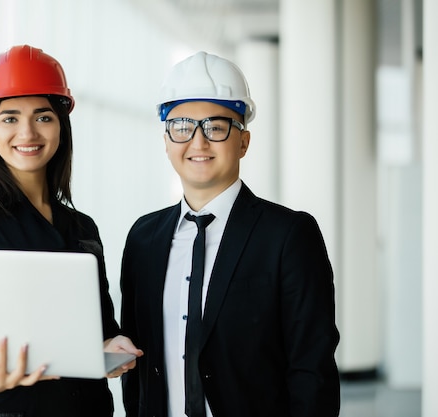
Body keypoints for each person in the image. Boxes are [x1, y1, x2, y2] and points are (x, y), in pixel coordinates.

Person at [119, 51, 340, 417]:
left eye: (216, 126)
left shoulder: (288, 236)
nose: (198, 142)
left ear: (244, 142)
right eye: (182, 126)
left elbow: (311, 370)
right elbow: (138, 365)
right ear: (166, 141)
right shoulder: (143, 238)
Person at [0, 45, 142, 417]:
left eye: (43, 117)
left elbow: (101, 329)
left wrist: (116, 346)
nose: (27, 132)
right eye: (10, 118)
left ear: (61, 127)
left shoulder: (82, 227)